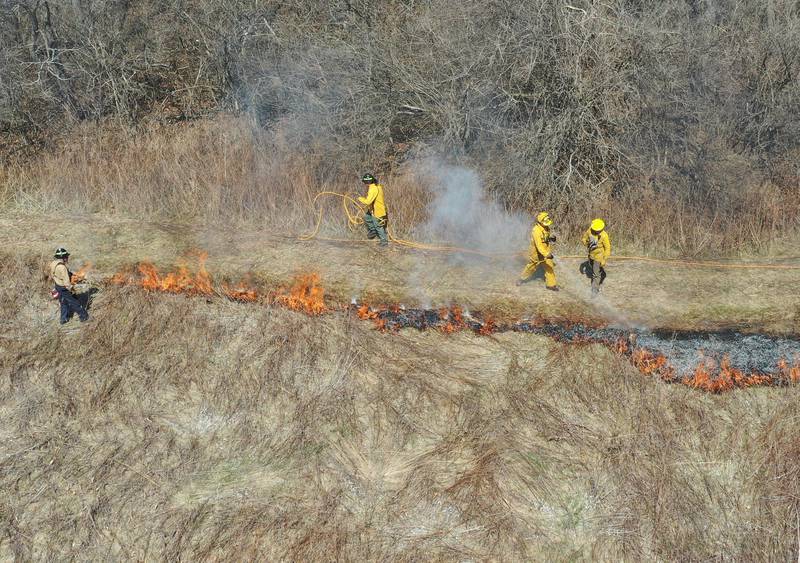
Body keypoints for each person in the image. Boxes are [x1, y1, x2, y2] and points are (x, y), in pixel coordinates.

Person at [517, 211, 559, 291]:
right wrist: (547, 254)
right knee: (531, 267)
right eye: (546, 222)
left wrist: (550, 238)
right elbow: (539, 245)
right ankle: (521, 279)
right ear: (541, 221)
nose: (547, 224)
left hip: (545, 252)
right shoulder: (535, 231)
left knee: (549, 267)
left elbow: (545, 237)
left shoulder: (546, 227)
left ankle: (551, 285)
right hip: (536, 253)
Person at [49, 247, 89, 324]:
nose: (67, 258)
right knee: (75, 302)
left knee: (63, 302)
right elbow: (67, 283)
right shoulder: (62, 267)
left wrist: (72, 274)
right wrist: (72, 289)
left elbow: (57, 274)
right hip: (64, 287)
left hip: (58, 286)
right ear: (63, 258)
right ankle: (84, 317)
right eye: (66, 257)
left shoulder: (53, 263)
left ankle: (63, 319)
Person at [581, 218, 611, 296]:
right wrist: (587, 243)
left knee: (596, 274)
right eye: (597, 230)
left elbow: (608, 249)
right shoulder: (589, 231)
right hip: (591, 255)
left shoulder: (604, 236)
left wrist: (604, 259)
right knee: (592, 268)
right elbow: (584, 239)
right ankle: (598, 273)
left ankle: (595, 289)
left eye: (600, 230)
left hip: (599, 256)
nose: (598, 231)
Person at [358, 173, 388, 246]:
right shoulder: (377, 186)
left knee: (378, 226)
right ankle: (373, 231)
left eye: (365, 182)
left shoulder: (373, 189)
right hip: (373, 209)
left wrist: (359, 198)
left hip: (377, 210)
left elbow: (368, 201)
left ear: (366, 182)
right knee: (367, 217)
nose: (365, 184)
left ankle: (384, 242)